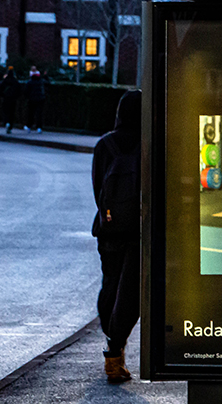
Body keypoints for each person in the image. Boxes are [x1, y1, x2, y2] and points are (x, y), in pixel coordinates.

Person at [91, 90, 141, 383]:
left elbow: (98, 189)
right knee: (132, 293)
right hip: (138, 229)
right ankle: (114, 352)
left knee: (110, 284)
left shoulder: (104, 145)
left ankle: (112, 344)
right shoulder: (148, 142)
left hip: (109, 228)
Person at [0, 67, 21, 133]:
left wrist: (2, 95)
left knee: (6, 111)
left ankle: (6, 122)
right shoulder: (15, 81)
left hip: (6, 98)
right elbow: (19, 90)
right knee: (12, 112)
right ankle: (10, 125)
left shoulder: (5, 81)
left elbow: (0, 90)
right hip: (13, 99)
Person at [23, 67, 46, 133]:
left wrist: (27, 97)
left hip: (32, 99)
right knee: (39, 114)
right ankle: (39, 127)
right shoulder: (41, 81)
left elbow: (26, 91)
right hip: (40, 99)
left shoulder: (30, 82)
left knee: (30, 113)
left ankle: (29, 126)